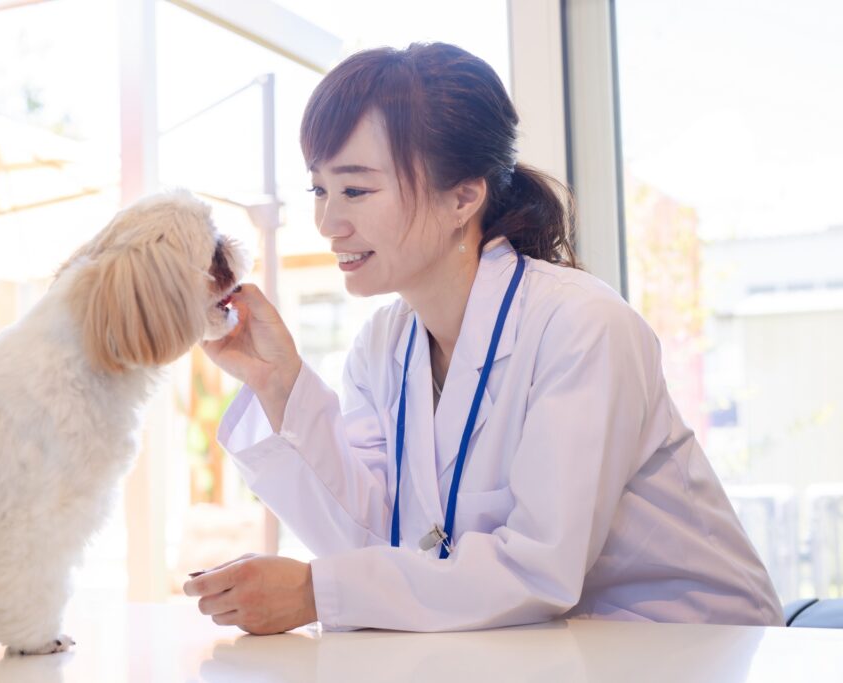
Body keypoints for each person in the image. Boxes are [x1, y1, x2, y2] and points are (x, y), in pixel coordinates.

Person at [183, 42, 782, 634]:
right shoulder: (381, 346)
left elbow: (538, 568)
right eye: (319, 189)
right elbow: (373, 537)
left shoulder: (582, 326)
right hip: (539, 647)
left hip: (693, 645)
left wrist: (320, 592)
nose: (328, 222)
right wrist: (278, 382)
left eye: (356, 190)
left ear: (464, 197)